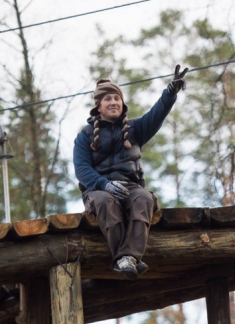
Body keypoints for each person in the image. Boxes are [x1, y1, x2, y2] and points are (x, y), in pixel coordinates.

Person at [73, 65, 188, 279]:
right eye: (108, 99)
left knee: (144, 199)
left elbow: (157, 114)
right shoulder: (85, 136)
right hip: (98, 191)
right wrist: (104, 185)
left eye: (117, 98)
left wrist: (170, 92)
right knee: (106, 202)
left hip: (131, 188)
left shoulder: (136, 129)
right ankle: (124, 258)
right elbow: (82, 170)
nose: (114, 102)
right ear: (98, 106)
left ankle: (128, 258)